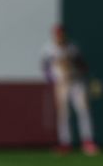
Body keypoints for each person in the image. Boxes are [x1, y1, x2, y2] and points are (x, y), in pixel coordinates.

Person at [41, 24, 99, 156]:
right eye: (57, 34)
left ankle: (87, 141)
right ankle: (65, 143)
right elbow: (45, 68)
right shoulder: (48, 49)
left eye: (61, 33)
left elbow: (82, 65)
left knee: (83, 110)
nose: (60, 36)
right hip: (61, 84)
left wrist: (84, 76)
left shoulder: (72, 47)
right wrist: (53, 80)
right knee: (63, 114)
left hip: (76, 82)